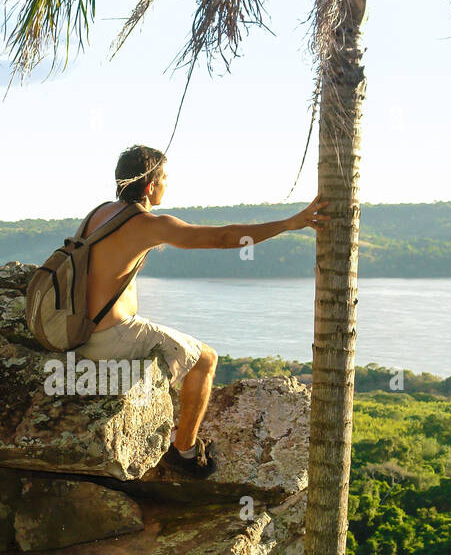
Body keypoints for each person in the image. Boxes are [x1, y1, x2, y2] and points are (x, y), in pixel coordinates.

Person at [75, 144, 330, 478]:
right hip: (110, 337)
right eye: (164, 177)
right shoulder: (147, 223)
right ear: (151, 185)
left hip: (77, 331)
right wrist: (288, 223)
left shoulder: (98, 214)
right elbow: (224, 238)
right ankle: (184, 451)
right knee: (206, 359)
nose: (167, 184)